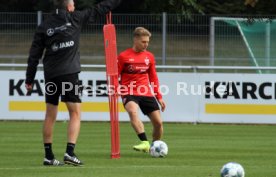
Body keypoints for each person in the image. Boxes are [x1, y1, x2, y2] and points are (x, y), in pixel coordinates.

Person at [25, 0, 121, 166]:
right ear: (69, 7)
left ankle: (48, 156)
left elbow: (34, 55)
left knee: (50, 114)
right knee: (75, 113)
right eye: (73, 5)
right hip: (69, 73)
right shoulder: (75, 18)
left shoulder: (44, 25)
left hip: (51, 74)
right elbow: (99, 9)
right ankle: (69, 153)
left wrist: (29, 79)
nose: (75, 7)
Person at [117, 27, 166, 153]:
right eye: (143, 42)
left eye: (147, 42)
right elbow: (114, 75)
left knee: (158, 123)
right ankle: (144, 142)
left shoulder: (149, 57)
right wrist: (116, 88)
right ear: (135, 40)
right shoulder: (123, 56)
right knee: (133, 112)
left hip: (145, 92)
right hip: (129, 91)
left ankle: (154, 147)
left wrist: (159, 96)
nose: (146, 45)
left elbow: (153, 77)